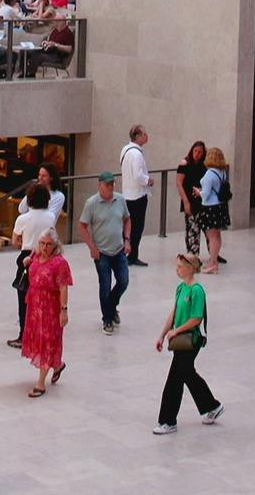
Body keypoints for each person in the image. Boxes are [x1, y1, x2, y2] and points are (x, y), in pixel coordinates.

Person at [151, 252, 224, 433]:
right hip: (180, 340)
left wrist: (177, 330)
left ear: (191, 268)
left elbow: (196, 318)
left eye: (180, 267)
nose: (177, 270)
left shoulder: (196, 290)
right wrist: (162, 334)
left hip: (191, 340)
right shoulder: (180, 288)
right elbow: (173, 312)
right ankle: (212, 406)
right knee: (188, 374)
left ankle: (168, 420)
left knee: (174, 379)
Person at [77, 171, 132, 334]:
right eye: (107, 184)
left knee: (123, 281)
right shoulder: (91, 203)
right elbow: (82, 225)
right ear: (99, 185)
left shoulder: (120, 199)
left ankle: (111, 306)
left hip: (119, 249)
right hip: (102, 252)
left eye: (112, 184)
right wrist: (91, 247)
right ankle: (107, 319)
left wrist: (127, 239)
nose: (110, 187)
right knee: (105, 285)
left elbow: (127, 219)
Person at [20, 231, 73, 397]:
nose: (44, 247)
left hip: (50, 307)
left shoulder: (59, 263)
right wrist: (27, 261)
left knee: (47, 341)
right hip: (35, 305)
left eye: (48, 244)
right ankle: (57, 366)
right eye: (42, 243)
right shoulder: (36, 255)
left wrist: (63, 311)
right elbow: (31, 263)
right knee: (37, 339)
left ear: (55, 245)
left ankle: (41, 383)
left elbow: (64, 287)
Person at [9, 184, 58, 348]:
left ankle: (24, 335)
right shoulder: (50, 216)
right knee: (43, 299)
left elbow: (15, 240)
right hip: (45, 257)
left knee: (24, 298)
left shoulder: (23, 219)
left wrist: (24, 241)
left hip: (27, 257)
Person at [119, 125, 152, 266]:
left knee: (128, 225)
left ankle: (126, 252)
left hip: (127, 193)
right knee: (137, 226)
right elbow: (138, 175)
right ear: (138, 136)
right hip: (137, 195)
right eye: (144, 134)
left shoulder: (125, 150)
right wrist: (148, 180)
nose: (147, 136)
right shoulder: (136, 154)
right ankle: (132, 255)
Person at [197, 148, 231, 273]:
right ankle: (214, 260)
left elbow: (205, 194)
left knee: (211, 236)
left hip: (210, 207)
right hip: (220, 206)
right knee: (217, 235)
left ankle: (212, 263)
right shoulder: (222, 172)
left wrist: (198, 192)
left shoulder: (209, 174)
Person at [176, 140, 208, 255]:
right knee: (192, 228)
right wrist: (186, 202)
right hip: (189, 199)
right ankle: (192, 254)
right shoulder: (185, 163)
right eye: (195, 151)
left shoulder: (203, 165)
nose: (197, 154)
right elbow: (179, 183)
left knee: (207, 228)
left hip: (202, 199)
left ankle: (213, 253)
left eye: (200, 152)